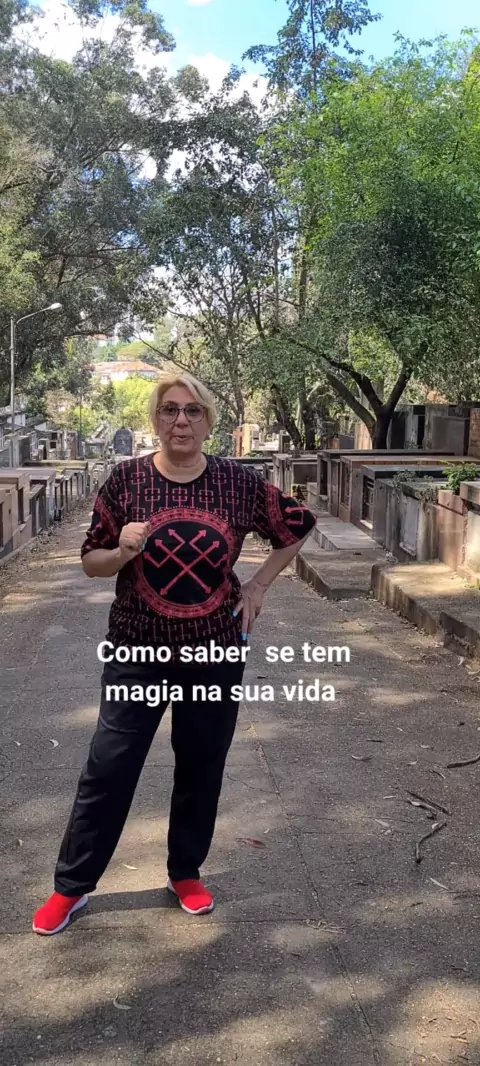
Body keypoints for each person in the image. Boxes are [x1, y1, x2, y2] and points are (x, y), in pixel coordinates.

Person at [32, 370, 316, 935]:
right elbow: (91, 563)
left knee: (202, 762)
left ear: (208, 421)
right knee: (110, 765)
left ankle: (185, 872)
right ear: (155, 419)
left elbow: (297, 526)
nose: (180, 421)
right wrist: (122, 551)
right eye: (169, 410)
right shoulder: (127, 480)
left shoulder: (237, 482)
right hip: (137, 649)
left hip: (214, 649)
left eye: (192, 411)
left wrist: (258, 586)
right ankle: (72, 886)